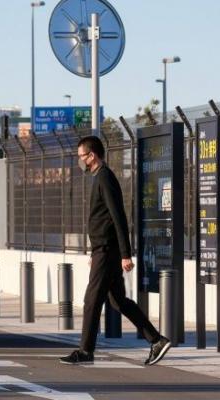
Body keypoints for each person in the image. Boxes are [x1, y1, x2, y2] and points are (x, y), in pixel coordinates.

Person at [60, 136, 171, 366]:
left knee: (91, 301)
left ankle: (85, 351)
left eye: (82, 156)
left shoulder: (104, 178)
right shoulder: (100, 177)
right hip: (103, 250)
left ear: (92, 155)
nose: (80, 161)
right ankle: (157, 340)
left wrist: (124, 254)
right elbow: (104, 219)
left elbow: (118, 216)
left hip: (108, 251)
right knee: (118, 301)